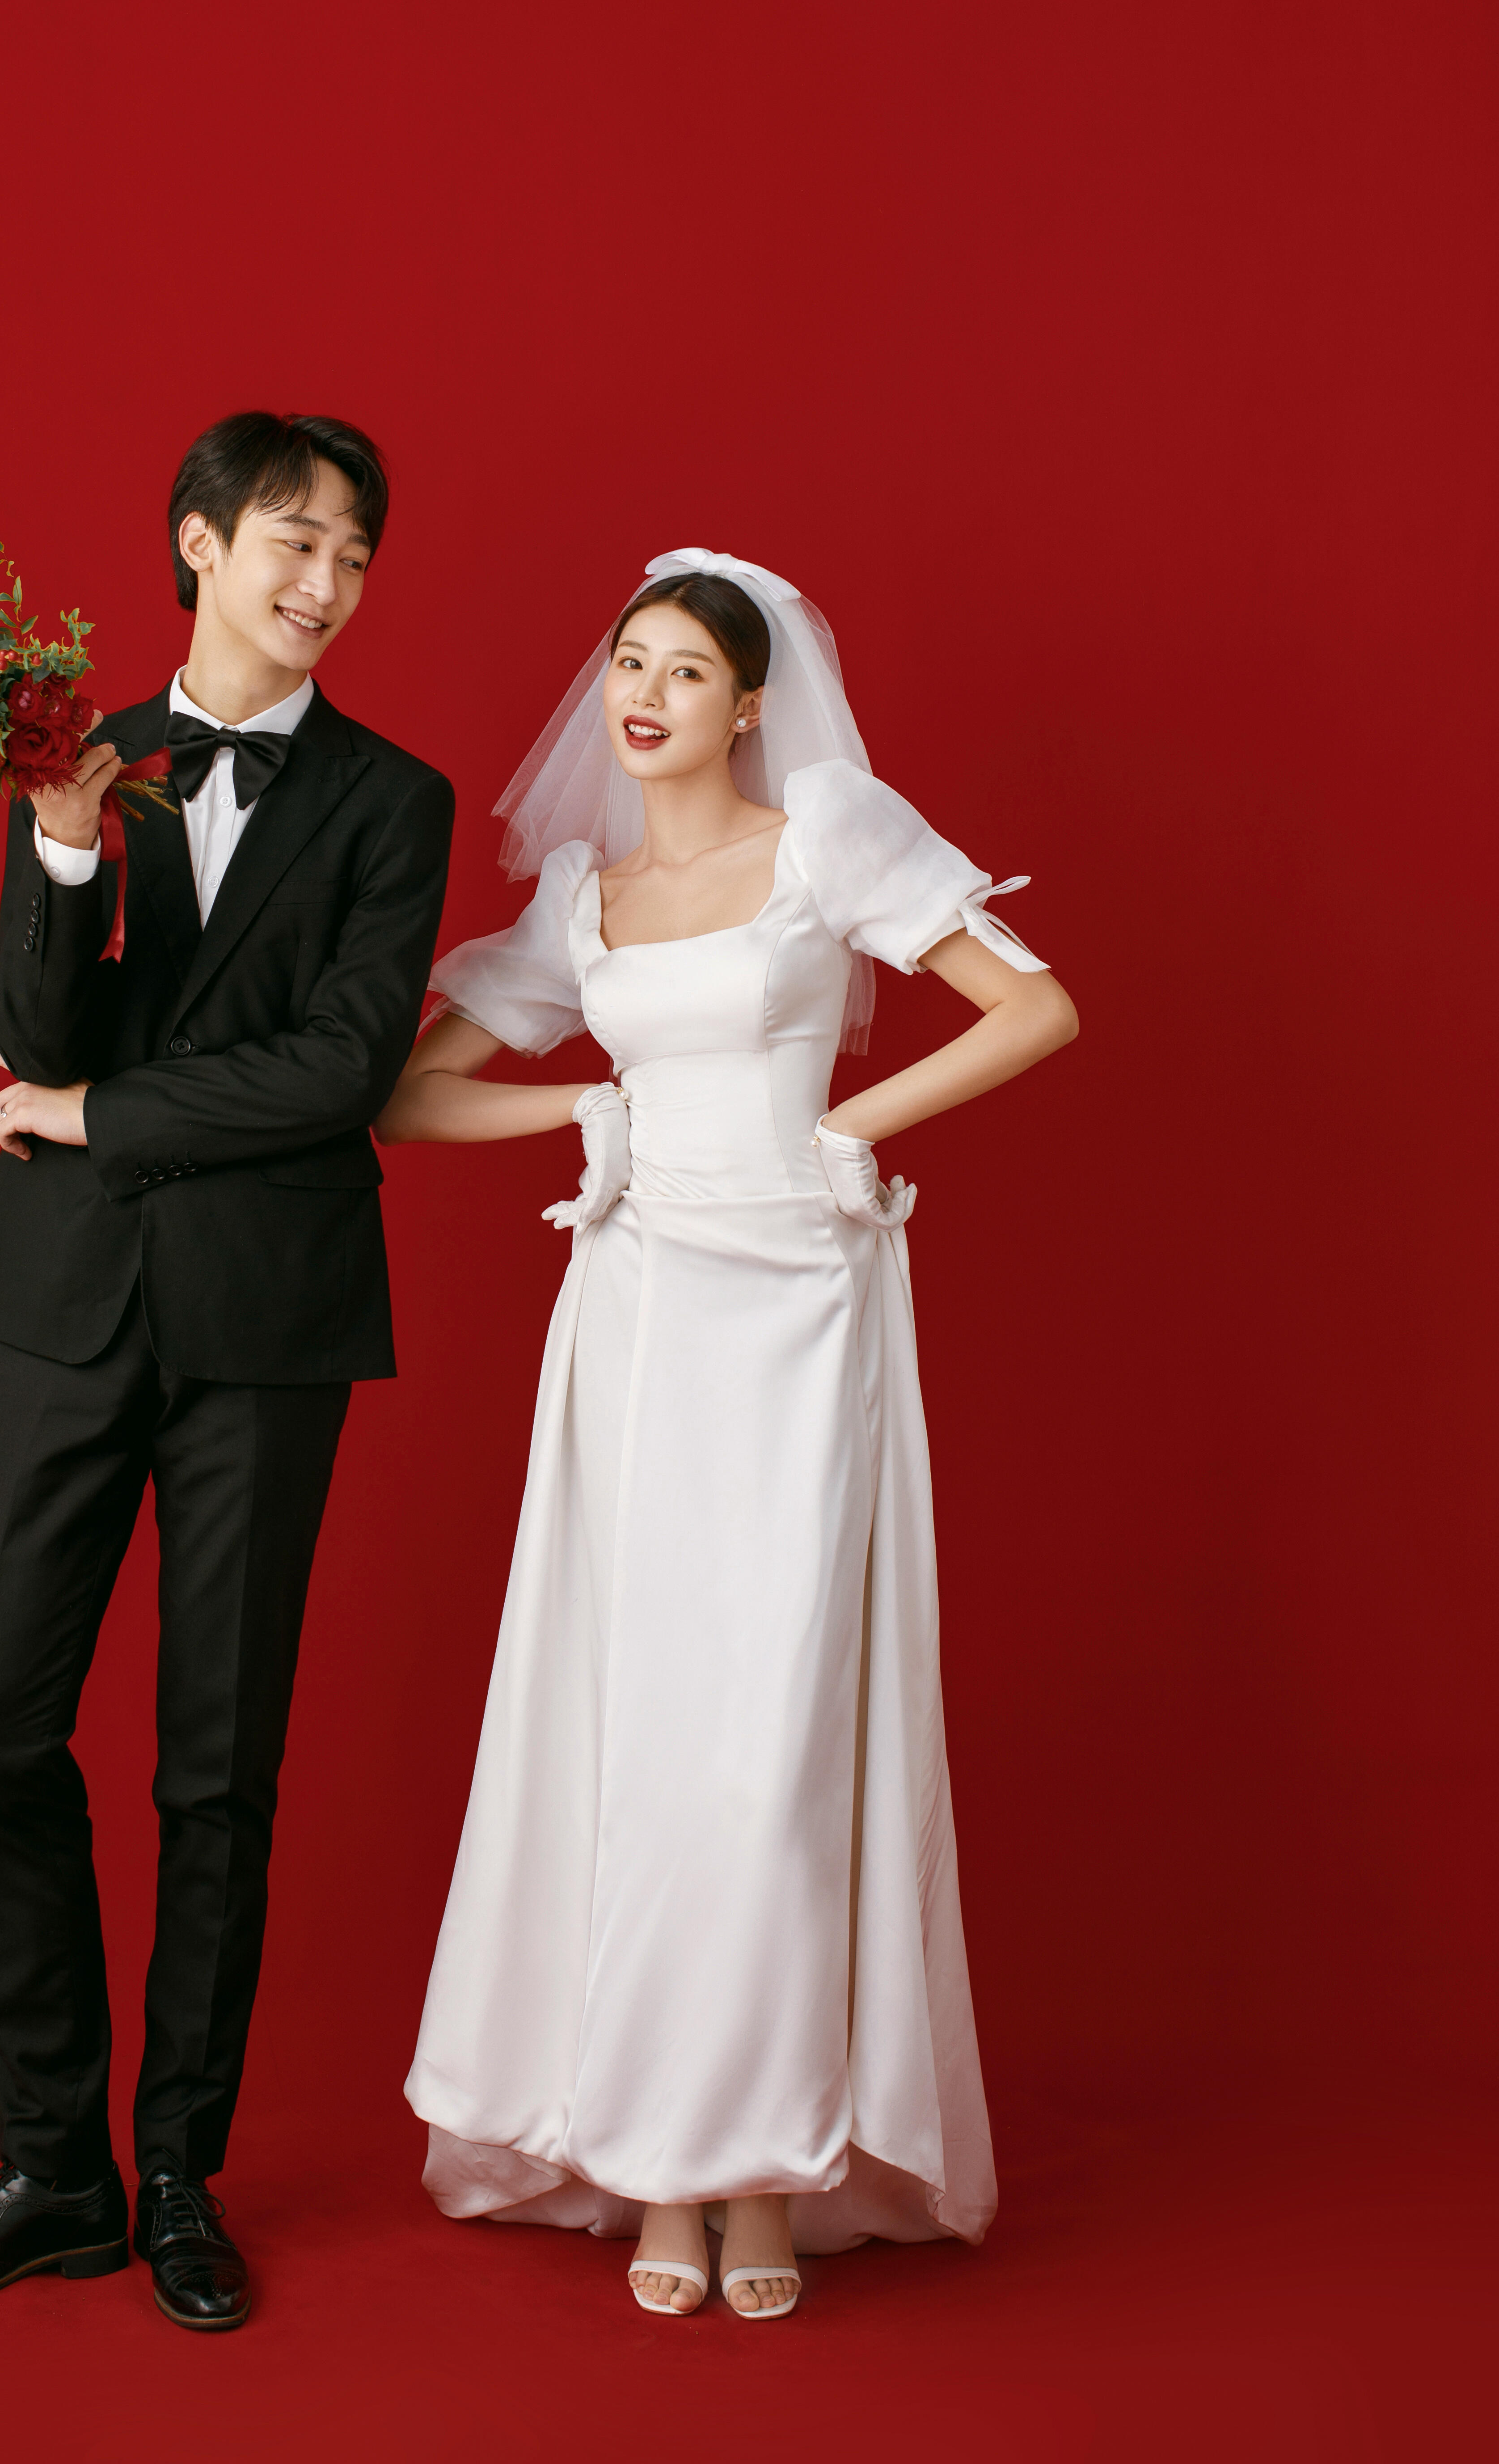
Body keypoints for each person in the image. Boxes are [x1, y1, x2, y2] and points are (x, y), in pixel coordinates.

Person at [379, 547, 1077, 2321]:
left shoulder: (826, 833)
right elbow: (411, 1097)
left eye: (687, 670)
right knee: (636, 1731)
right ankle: (654, 2172)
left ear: (751, 705)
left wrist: (851, 1131)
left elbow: (1035, 1008)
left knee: (771, 1743)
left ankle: (759, 2164)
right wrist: (585, 1112)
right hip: (633, 1321)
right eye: (630, 662)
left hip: (801, 1315)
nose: (646, 694)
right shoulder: (583, 896)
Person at [0, 413, 454, 2330]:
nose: (325, 583)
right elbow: (31, 1023)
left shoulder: (396, 800)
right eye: (295, 539)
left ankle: (181, 2167)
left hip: (269, 1323)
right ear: (200, 542)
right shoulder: (78, 751)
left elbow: (343, 1069)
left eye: (354, 556)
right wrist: (58, 837)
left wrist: (95, 1112)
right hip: (64, 1304)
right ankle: (55, 2171)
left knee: (218, 1766)